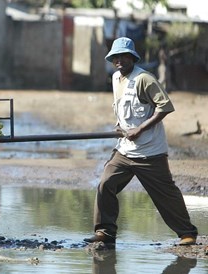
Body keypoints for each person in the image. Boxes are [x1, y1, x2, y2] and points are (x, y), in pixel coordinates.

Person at [83, 37, 198, 246]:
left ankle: (187, 233)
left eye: (123, 56)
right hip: (125, 150)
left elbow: (165, 107)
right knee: (105, 184)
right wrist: (122, 127)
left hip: (150, 152)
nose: (119, 60)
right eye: (115, 56)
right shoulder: (116, 78)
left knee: (165, 193)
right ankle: (105, 232)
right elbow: (124, 109)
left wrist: (140, 128)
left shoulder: (144, 79)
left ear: (132, 57)